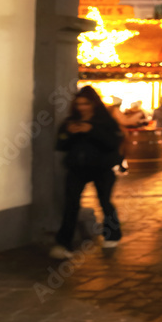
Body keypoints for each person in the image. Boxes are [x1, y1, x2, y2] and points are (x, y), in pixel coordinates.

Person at [51, 85, 124, 259]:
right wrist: (68, 134)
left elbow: (112, 143)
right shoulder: (70, 121)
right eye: (79, 104)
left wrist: (91, 131)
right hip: (77, 168)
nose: (82, 107)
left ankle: (112, 234)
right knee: (71, 204)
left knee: (105, 202)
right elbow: (61, 145)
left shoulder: (105, 122)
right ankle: (64, 243)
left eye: (86, 104)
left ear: (94, 104)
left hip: (101, 168)